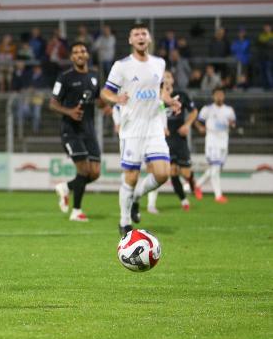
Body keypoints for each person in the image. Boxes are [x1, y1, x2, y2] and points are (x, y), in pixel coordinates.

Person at [100, 23, 181, 236]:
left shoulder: (159, 63)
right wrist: (116, 98)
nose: (140, 37)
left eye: (144, 33)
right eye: (136, 34)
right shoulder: (121, 66)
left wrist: (170, 101)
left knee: (163, 174)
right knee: (131, 176)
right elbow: (105, 92)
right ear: (130, 40)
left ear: (149, 38)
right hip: (132, 129)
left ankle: (136, 197)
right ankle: (124, 221)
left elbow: (160, 92)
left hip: (154, 127)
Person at [49, 42, 104, 222]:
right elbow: (53, 103)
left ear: (87, 55)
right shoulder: (64, 77)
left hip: (89, 130)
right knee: (84, 169)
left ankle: (66, 187)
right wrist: (69, 112)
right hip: (71, 131)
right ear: (72, 57)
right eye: (76, 52)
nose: (80, 54)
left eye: (83, 51)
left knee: (95, 173)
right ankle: (76, 211)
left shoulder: (94, 75)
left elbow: (99, 99)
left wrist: (108, 105)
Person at [146, 71, 199, 214]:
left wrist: (187, 125)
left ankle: (191, 181)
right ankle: (180, 201)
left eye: (168, 76)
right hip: (161, 140)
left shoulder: (181, 95)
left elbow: (194, 111)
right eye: (163, 77)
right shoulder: (154, 96)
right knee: (167, 172)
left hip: (179, 139)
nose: (166, 79)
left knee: (185, 172)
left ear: (173, 80)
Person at [194, 87, 236, 203]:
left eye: (221, 94)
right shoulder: (207, 109)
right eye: (217, 94)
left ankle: (197, 185)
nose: (219, 96)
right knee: (215, 168)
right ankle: (218, 196)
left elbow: (233, 124)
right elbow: (197, 121)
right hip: (212, 142)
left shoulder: (229, 110)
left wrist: (232, 124)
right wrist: (200, 128)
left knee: (215, 169)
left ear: (224, 96)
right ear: (213, 96)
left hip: (224, 142)